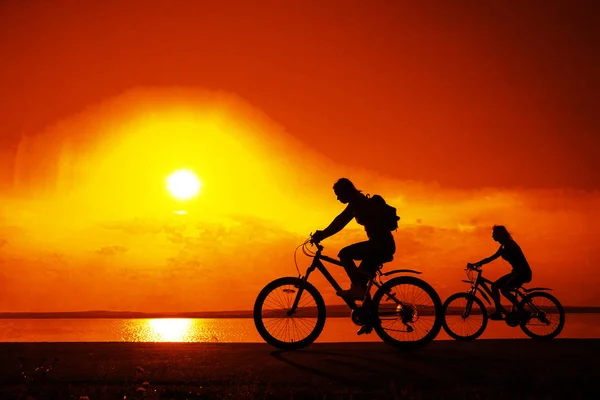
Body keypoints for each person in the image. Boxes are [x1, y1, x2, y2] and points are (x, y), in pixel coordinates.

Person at [310, 178, 396, 301]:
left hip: (380, 245)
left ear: (346, 191)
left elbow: (340, 221)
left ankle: (357, 288)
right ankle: (370, 316)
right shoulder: (359, 200)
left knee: (344, 254)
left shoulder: (357, 202)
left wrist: (322, 234)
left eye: (338, 195)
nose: (338, 198)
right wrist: (323, 234)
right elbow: (340, 220)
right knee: (362, 284)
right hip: (381, 245)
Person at [469, 225, 532, 320]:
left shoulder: (510, 245)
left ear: (500, 235)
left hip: (522, 273)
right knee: (494, 286)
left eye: (494, 234)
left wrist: (476, 264)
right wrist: (475, 264)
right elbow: (490, 258)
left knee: (504, 289)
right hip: (516, 273)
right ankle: (499, 311)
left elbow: (519, 263)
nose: (492, 236)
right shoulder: (503, 246)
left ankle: (520, 310)